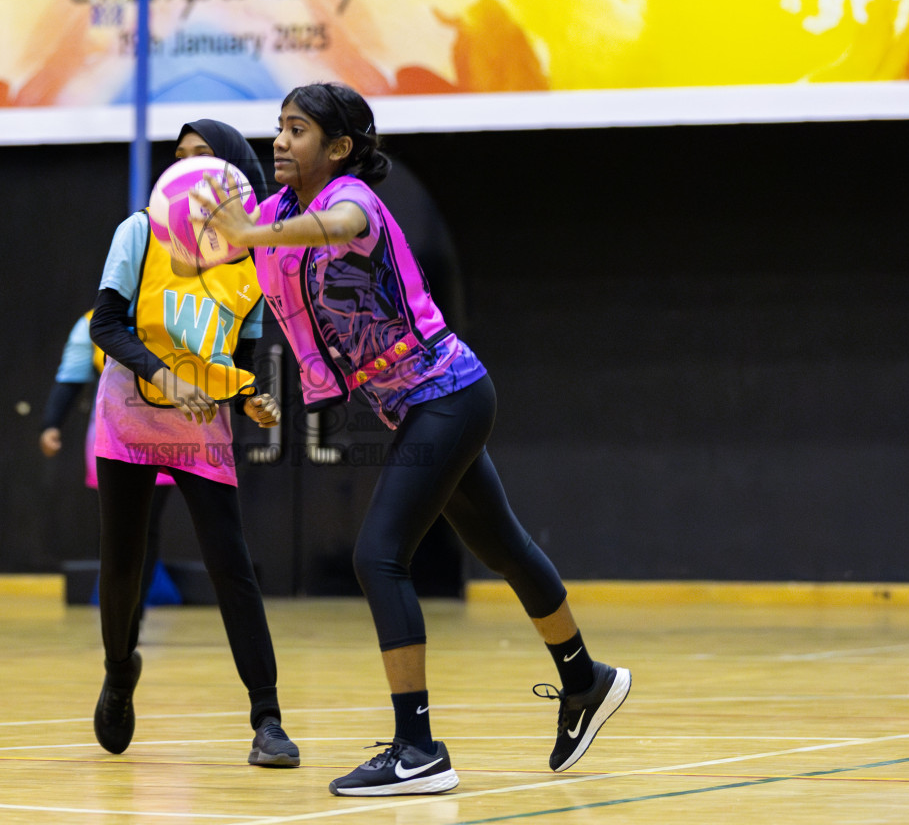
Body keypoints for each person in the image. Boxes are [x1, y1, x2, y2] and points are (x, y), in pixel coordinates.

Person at [202, 83, 631, 797]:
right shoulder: (275, 213)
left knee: (378, 556)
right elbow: (229, 246)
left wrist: (248, 235)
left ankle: (418, 748)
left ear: (337, 148)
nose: (280, 140)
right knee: (503, 547)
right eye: (277, 126)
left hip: (449, 395)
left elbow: (335, 228)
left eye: (297, 129)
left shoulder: (352, 203)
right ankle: (586, 680)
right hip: (420, 405)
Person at [87, 119, 299, 768]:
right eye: (177, 157)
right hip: (128, 417)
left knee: (230, 566)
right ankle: (121, 673)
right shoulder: (139, 231)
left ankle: (267, 719)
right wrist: (163, 376)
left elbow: (236, 357)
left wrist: (249, 396)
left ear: (234, 170)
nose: (185, 166)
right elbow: (106, 324)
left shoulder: (250, 261)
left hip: (199, 428)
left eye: (201, 155)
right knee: (123, 566)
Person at [39, 311, 180, 610]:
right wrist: (51, 424)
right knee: (117, 523)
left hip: (165, 430)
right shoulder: (92, 321)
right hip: (111, 433)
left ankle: (134, 610)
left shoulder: (174, 311)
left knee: (147, 523)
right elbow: (71, 378)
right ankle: (118, 606)